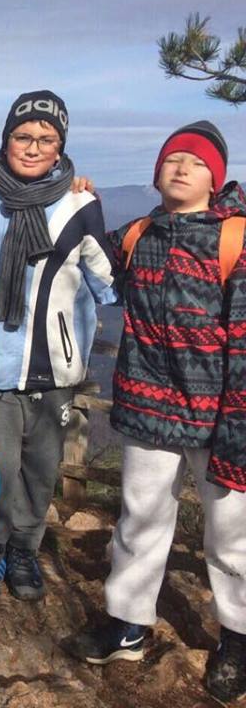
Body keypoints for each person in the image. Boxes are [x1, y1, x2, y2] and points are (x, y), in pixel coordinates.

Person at [67, 122, 246, 705]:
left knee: (232, 538)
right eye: (173, 159)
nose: (182, 168)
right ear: (157, 171)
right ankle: (127, 623)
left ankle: (237, 639)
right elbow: (93, 261)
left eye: (196, 163)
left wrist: (238, 427)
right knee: (140, 521)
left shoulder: (235, 238)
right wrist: (86, 202)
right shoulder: (139, 233)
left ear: (215, 180)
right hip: (148, 406)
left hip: (218, 416)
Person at [0, 90, 117, 602]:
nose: (32, 148)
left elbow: (107, 281)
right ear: (5, 139)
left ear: (60, 146)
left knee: (41, 469)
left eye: (46, 139)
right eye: (22, 136)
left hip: (55, 367)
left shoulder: (81, 204)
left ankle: (25, 549)